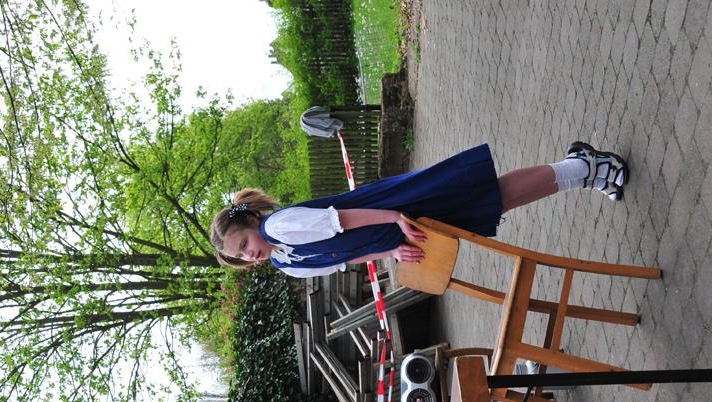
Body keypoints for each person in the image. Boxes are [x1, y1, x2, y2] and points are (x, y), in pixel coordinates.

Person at [210, 142, 628, 278]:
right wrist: (391, 251)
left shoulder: (279, 227)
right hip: (399, 230)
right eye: (241, 257)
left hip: (395, 211)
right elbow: (347, 257)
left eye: (243, 244)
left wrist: (397, 218)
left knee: (491, 195)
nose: (249, 255)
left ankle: (586, 167)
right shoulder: (285, 264)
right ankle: (582, 169)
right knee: (493, 205)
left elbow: (343, 219)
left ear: (251, 220)